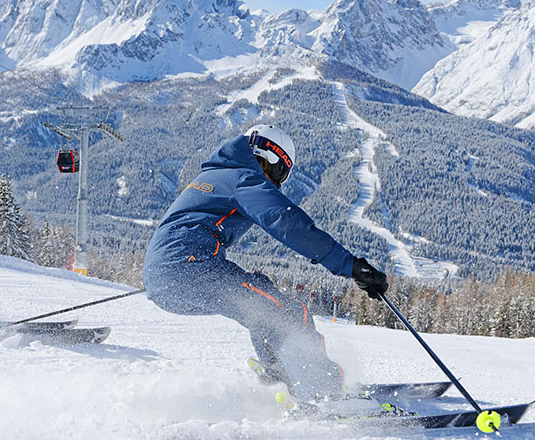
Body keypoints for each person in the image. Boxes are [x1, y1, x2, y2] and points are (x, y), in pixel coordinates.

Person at [142, 124, 388, 409]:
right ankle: (325, 394)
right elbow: (287, 223)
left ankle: (284, 376)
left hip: (168, 276)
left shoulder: (215, 174)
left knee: (262, 300)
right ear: (268, 157)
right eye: (280, 172)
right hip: (191, 267)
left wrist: (165, 271)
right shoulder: (244, 177)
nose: (277, 183)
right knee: (289, 315)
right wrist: (351, 266)